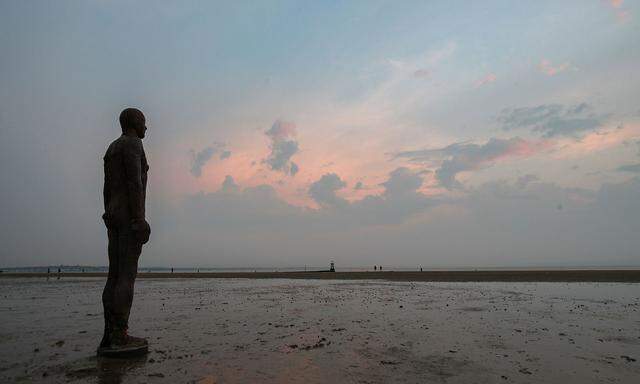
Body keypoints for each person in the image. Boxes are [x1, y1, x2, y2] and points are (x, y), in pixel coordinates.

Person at [98, 108, 151, 356]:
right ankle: (119, 335)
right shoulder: (132, 144)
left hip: (113, 214)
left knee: (114, 275)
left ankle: (109, 335)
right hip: (128, 216)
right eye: (144, 122)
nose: (146, 127)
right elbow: (135, 183)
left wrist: (107, 211)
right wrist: (139, 219)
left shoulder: (112, 148)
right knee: (126, 276)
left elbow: (107, 186)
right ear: (134, 122)